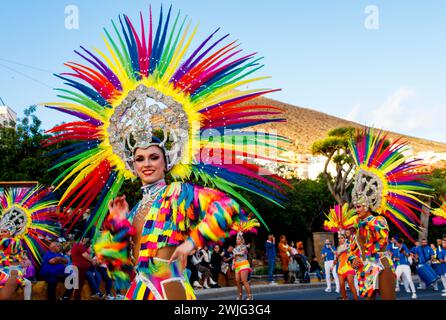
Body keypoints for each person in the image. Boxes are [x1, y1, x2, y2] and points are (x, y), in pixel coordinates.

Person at [45, 5, 288, 301]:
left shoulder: (177, 192)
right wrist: (118, 224)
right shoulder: (133, 208)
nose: (147, 164)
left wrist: (188, 246)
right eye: (140, 158)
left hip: (168, 287)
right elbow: (117, 270)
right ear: (131, 165)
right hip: (137, 290)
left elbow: (227, 208)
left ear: (166, 161)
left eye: (153, 157)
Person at [347, 129, 430, 300]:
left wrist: (363, 230)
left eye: (360, 206)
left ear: (369, 205)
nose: (357, 210)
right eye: (355, 207)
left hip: (382, 265)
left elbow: (382, 241)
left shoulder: (379, 220)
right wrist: (352, 260)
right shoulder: (356, 225)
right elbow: (351, 249)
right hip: (365, 269)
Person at [333, 233, 358, 300]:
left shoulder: (348, 245)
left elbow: (346, 251)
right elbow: (337, 258)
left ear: (345, 239)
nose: (340, 239)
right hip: (340, 269)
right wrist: (334, 262)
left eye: (342, 238)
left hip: (349, 268)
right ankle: (344, 298)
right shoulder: (338, 248)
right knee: (341, 285)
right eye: (339, 238)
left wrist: (339, 253)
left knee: (351, 285)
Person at [233, 233, 253, 300]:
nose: (237, 240)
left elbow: (243, 253)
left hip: (244, 264)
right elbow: (234, 257)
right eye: (236, 239)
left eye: (238, 239)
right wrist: (233, 264)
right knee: (237, 280)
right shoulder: (235, 248)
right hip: (237, 265)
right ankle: (240, 295)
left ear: (241, 240)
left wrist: (236, 253)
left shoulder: (244, 246)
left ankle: (250, 296)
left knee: (244, 281)